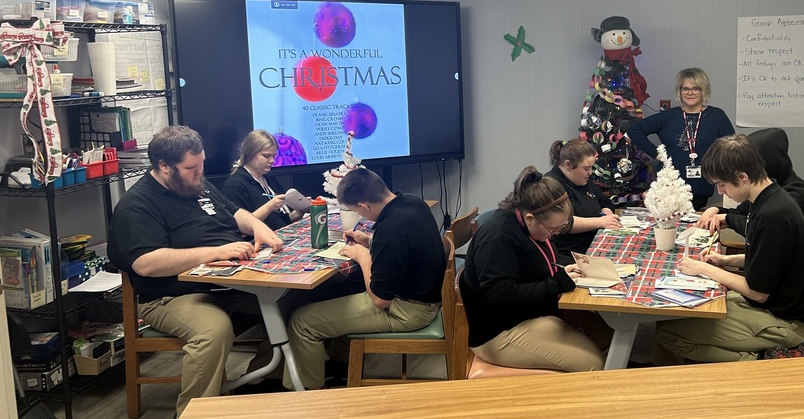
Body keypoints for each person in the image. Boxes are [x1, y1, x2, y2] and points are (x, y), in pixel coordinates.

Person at [108, 125, 284, 419]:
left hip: (226, 282)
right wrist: (216, 252)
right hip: (173, 295)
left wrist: (258, 228)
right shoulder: (137, 205)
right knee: (213, 331)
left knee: (291, 299)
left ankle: (260, 384)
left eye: (201, 164)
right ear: (164, 166)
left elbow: (235, 212)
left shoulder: (195, 183)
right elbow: (146, 263)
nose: (198, 172)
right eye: (191, 167)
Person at [653, 134, 804, 364]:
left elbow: (757, 292)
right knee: (678, 314)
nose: (720, 192)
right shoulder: (767, 199)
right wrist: (724, 262)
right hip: (773, 306)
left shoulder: (773, 216)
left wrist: (703, 268)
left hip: (785, 322)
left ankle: (755, 364)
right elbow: (769, 260)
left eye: (721, 185)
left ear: (742, 176)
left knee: (668, 334)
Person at [284, 167, 445, 390]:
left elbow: (381, 300)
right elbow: (404, 247)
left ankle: (309, 393)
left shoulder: (390, 229)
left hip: (408, 310)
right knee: (340, 291)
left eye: (357, 211)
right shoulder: (411, 202)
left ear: (364, 205)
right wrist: (369, 241)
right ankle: (339, 366)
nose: (360, 216)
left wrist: (363, 257)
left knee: (302, 322)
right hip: (426, 296)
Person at [460, 167, 605, 372]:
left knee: (608, 336)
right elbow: (502, 296)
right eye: (552, 229)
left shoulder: (529, 226)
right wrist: (555, 284)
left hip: (531, 315)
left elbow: (538, 264)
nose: (554, 234)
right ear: (530, 218)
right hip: (500, 332)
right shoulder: (498, 238)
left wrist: (564, 272)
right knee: (594, 364)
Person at [627, 67, 733, 210]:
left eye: (696, 88)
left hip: (702, 184)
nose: (690, 93)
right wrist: (657, 153)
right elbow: (634, 130)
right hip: (670, 186)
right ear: (679, 91)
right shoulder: (668, 116)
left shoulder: (717, 116)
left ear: (704, 91)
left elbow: (731, 146)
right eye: (685, 89)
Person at [697, 127, 804, 234]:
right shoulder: (763, 192)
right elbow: (743, 212)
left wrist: (728, 219)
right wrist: (716, 210)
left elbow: (761, 226)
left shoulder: (792, 195)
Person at [545, 138, 621, 265]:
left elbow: (604, 201)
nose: (590, 173)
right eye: (586, 168)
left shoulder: (582, 179)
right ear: (568, 165)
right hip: (569, 255)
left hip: (593, 247)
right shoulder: (552, 185)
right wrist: (600, 222)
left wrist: (607, 215)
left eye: (591, 168)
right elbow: (564, 223)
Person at [221, 129, 307, 231]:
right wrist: (269, 207)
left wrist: (301, 210)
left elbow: (282, 222)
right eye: (266, 156)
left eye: (274, 156)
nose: (272, 161)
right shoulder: (235, 186)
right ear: (250, 154)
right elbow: (240, 229)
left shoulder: (269, 180)